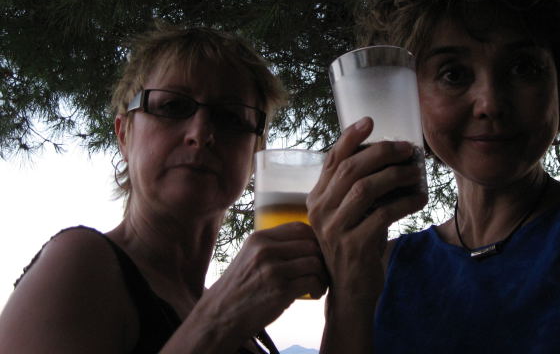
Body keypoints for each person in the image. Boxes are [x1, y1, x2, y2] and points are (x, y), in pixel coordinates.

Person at [308, 0, 560, 353]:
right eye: (453, 74)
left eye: (523, 67)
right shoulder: (385, 269)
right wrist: (349, 288)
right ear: (408, 99)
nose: (491, 103)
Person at [0, 23, 327, 353]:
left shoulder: (245, 322)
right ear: (124, 134)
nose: (201, 134)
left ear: (256, 152)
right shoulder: (81, 263)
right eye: (172, 106)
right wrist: (219, 321)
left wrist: (349, 289)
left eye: (231, 116)